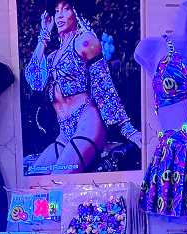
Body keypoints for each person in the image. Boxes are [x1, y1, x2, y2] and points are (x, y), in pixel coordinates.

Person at [25, 0, 141, 174]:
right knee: (35, 178)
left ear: (76, 12)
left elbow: (104, 86)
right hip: (65, 133)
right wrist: (43, 36)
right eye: (56, 11)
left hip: (88, 124)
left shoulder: (85, 42)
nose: (60, 16)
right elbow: (33, 80)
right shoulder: (52, 57)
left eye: (66, 9)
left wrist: (127, 128)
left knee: (59, 177)